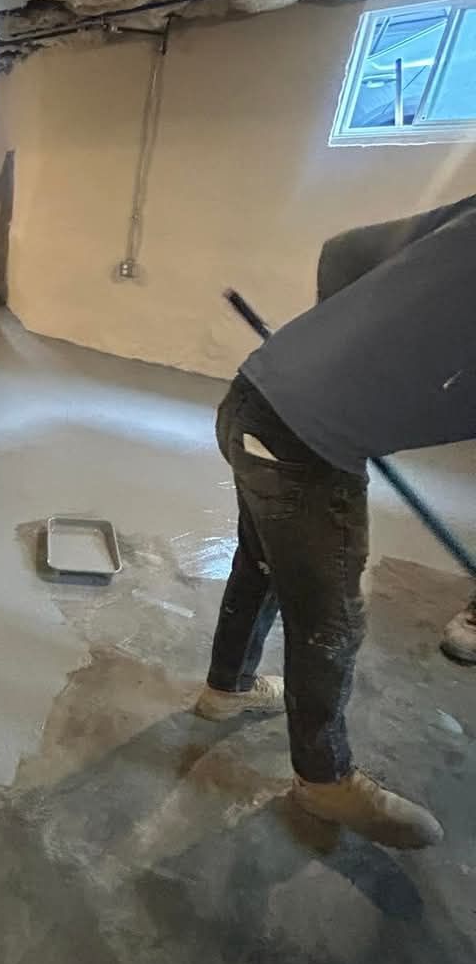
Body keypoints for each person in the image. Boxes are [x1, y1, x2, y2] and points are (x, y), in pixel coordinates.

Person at [194, 196, 476, 849]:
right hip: (306, 443)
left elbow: (345, 252)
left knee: (260, 562)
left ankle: (225, 690)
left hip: (252, 399)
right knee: (329, 619)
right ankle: (323, 779)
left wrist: (338, 361)